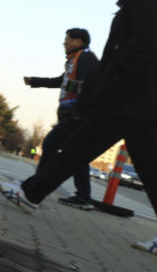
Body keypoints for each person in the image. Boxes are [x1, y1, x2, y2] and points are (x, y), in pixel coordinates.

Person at [0, 0, 157, 255]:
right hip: (140, 103)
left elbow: (136, 48)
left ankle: (30, 194)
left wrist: (104, 86)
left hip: (127, 100)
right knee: (152, 169)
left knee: (76, 147)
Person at [23, 28, 100, 210]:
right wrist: (35, 81)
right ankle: (83, 196)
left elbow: (87, 85)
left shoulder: (86, 58)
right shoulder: (73, 60)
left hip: (76, 112)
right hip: (69, 110)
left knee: (51, 145)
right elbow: (62, 81)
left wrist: (79, 106)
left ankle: (35, 187)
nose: (64, 43)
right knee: (75, 152)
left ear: (78, 41)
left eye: (67, 39)